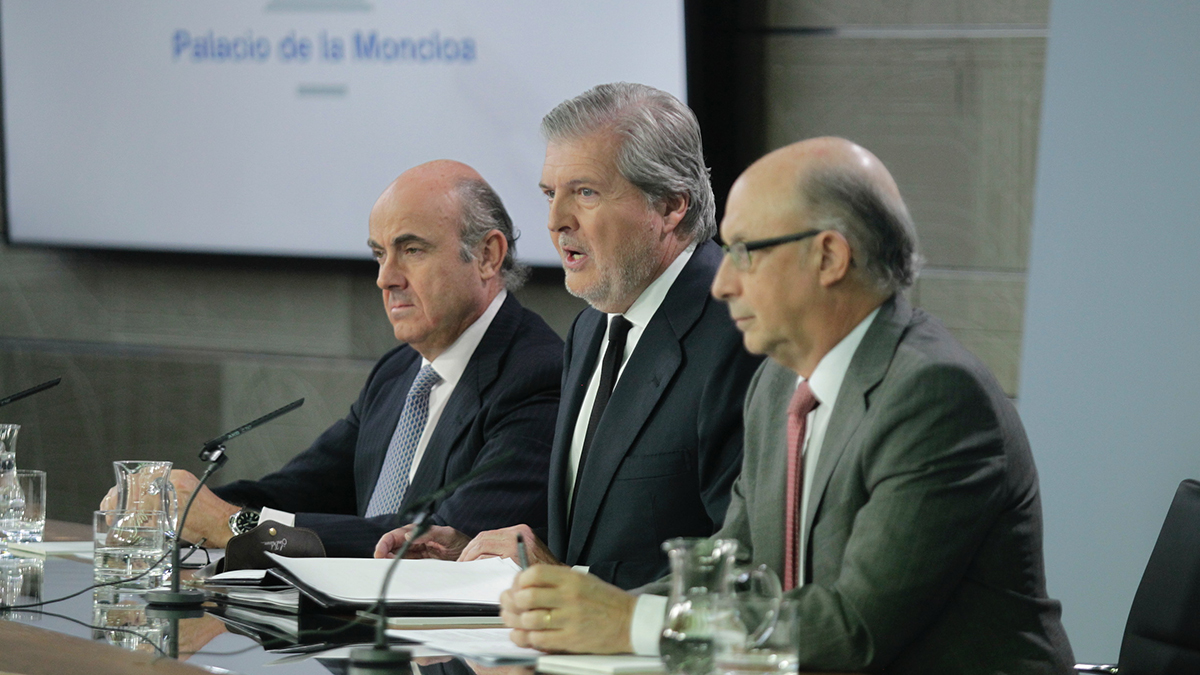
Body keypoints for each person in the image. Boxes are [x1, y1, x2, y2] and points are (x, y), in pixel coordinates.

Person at [496, 137, 1076, 674]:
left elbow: (854, 629)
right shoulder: (777, 386)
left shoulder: (936, 398)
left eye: (744, 252)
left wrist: (630, 622)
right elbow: (735, 577)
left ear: (829, 257)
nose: (722, 283)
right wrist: (582, 616)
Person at [376, 83, 762, 590]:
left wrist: (567, 578)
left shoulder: (739, 332)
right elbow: (601, 540)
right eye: (549, 194)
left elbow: (741, 564)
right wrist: (494, 553)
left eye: (585, 193)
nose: (556, 222)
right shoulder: (591, 328)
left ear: (670, 205)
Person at [106, 160, 564, 557]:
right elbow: (301, 490)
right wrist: (178, 508)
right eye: (380, 255)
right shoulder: (398, 372)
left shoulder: (538, 376)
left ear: (487, 255)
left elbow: (436, 543)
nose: (386, 278)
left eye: (411, 250)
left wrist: (230, 525)